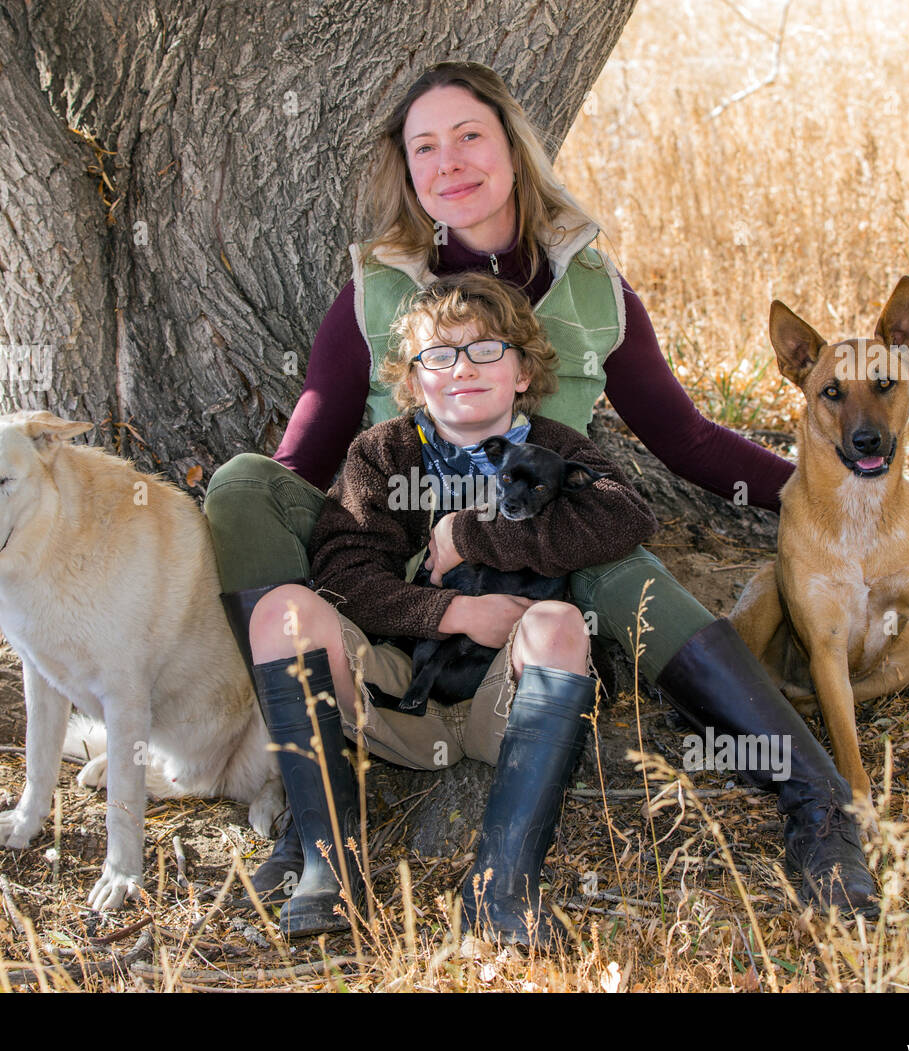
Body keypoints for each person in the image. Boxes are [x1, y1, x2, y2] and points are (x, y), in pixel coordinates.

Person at [208, 61, 876, 915]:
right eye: (425, 148)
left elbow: (686, 438)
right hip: (398, 560)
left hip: (542, 554)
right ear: (407, 172)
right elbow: (300, 463)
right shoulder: (373, 292)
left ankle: (819, 808)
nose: (448, 162)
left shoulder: (593, 291)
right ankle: (313, 814)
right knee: (240, 484)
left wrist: (838, 500)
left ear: (514, 149)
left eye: (469, 136)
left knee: (615, 555)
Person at [248, 274, 657, 943]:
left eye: (485, 350)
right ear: (413, 380)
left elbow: (623, 515)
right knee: (281, 612)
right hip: (398, 698)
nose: (462, 367)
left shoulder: (552, 446)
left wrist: (470, 533)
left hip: (510, 704)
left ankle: (501, 887)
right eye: (439, 355)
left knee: (557, 624)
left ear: (523, 371)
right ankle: (327, 867)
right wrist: (450, 613)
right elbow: (346, 578)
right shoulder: (383, 454)